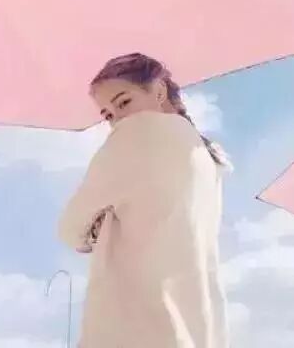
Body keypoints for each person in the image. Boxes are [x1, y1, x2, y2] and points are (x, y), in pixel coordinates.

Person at [58, 53, 232, 347]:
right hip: (196, 329)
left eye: (124, 102)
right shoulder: (206, 157)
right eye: (108, 115)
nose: (118, 119)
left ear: (159, 90)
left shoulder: (136, 133)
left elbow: (70, 228)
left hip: (139, 325)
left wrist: (97, 229)